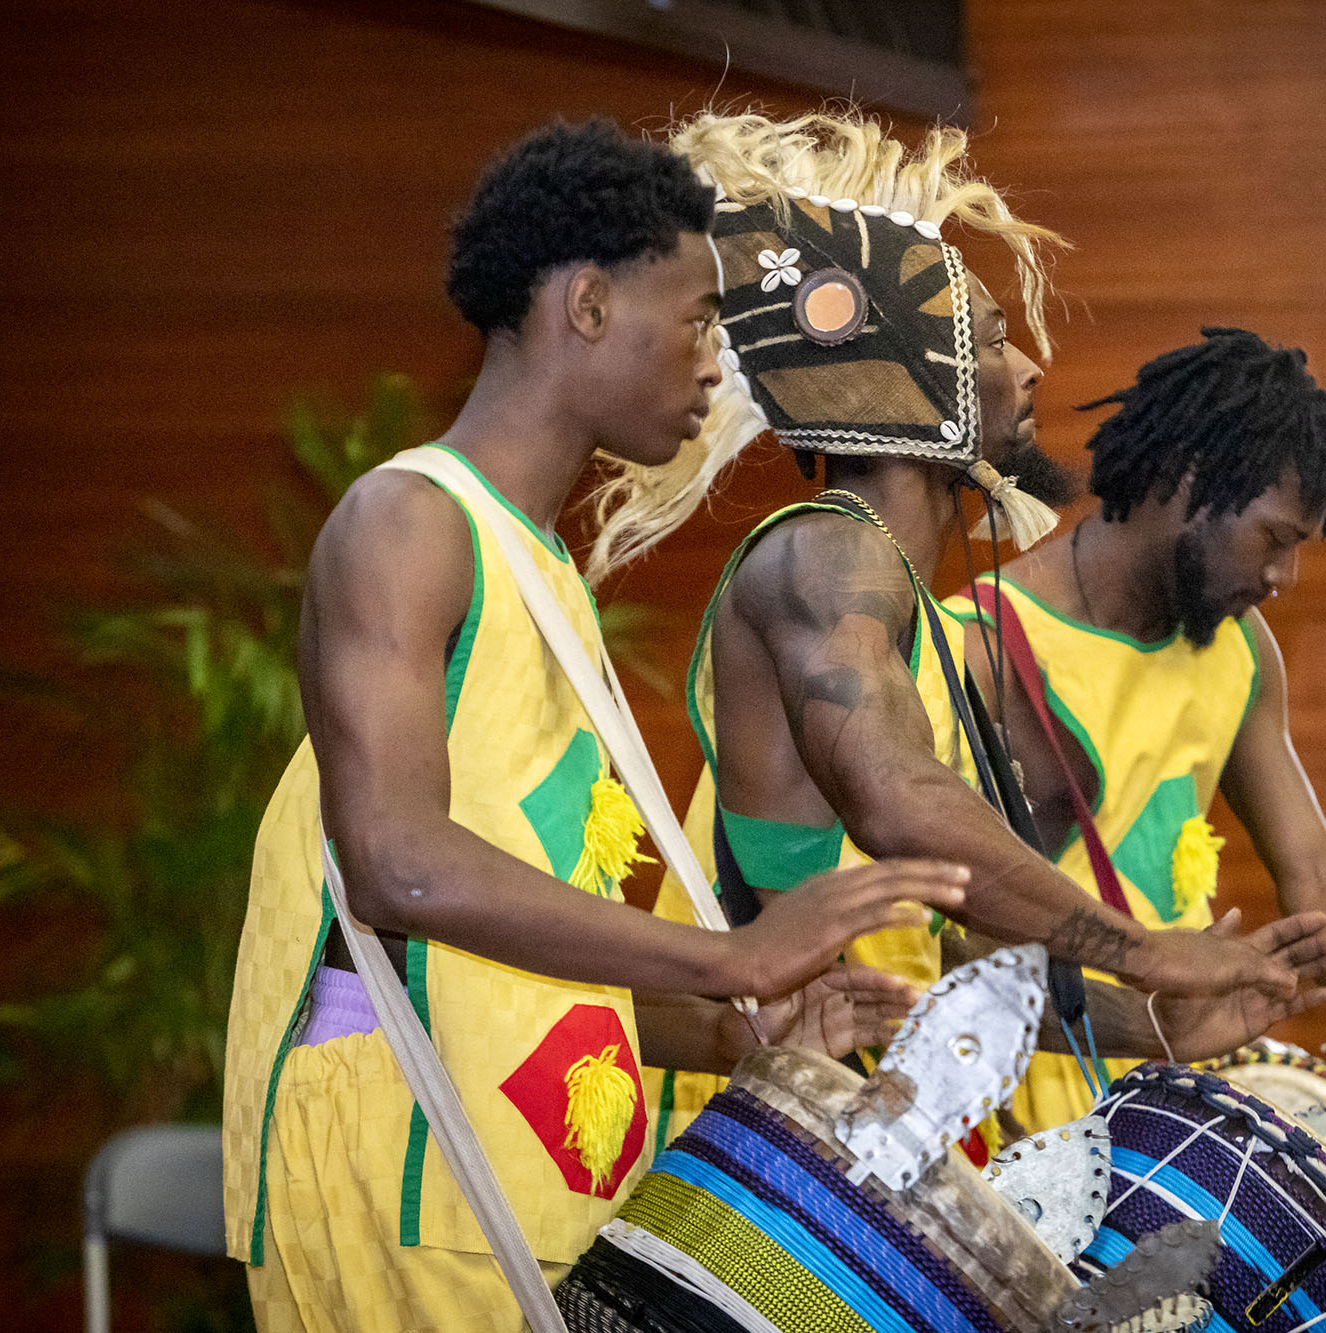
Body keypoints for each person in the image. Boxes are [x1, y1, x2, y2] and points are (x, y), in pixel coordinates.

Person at [221, 119, 968, 1331]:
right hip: (408, 1165)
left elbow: (524, 960)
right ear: (584, 305)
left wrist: (735, 1029)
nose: (714, 366)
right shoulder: (407, 521)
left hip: (520, 1167)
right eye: (696, 321)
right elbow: (399, 868)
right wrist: (729, 955)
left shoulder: (545, 573)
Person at [644, 110, 1326, 1145]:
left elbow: (941, 949)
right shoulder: (818, 555)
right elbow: (898, 801)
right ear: (908, 380)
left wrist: (1153, 1024)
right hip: (762, 1151)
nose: (1027, 368)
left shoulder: (913, 619)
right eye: (986, 338)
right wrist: (1147, 952)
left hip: (847, 1129)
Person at [945, 329, 1326, 1134]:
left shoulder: (1240, 648)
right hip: (1013, 1118)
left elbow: (1313, 866)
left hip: (1169, 1111)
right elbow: (936, 945)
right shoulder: (980, 646)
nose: (1284, 579)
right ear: (1186, 481)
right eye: (1275, 538)